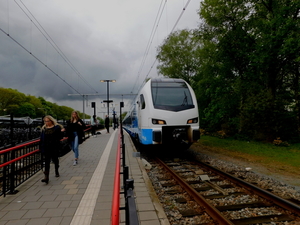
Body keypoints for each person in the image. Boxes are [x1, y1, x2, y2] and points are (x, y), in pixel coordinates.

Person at [39, 115, 64, 184]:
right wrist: (41, 147)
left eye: (47, 121)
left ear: (51, 121)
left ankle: (56, 170)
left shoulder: (56, 128)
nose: (46, 122)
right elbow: (41, 139)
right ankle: (46, 177)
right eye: (45, 121)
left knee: (55, 159)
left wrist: (61, 132)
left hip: (54, 146)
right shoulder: (44, 129)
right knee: (47, 161)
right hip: (46, 147)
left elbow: (60, 137)